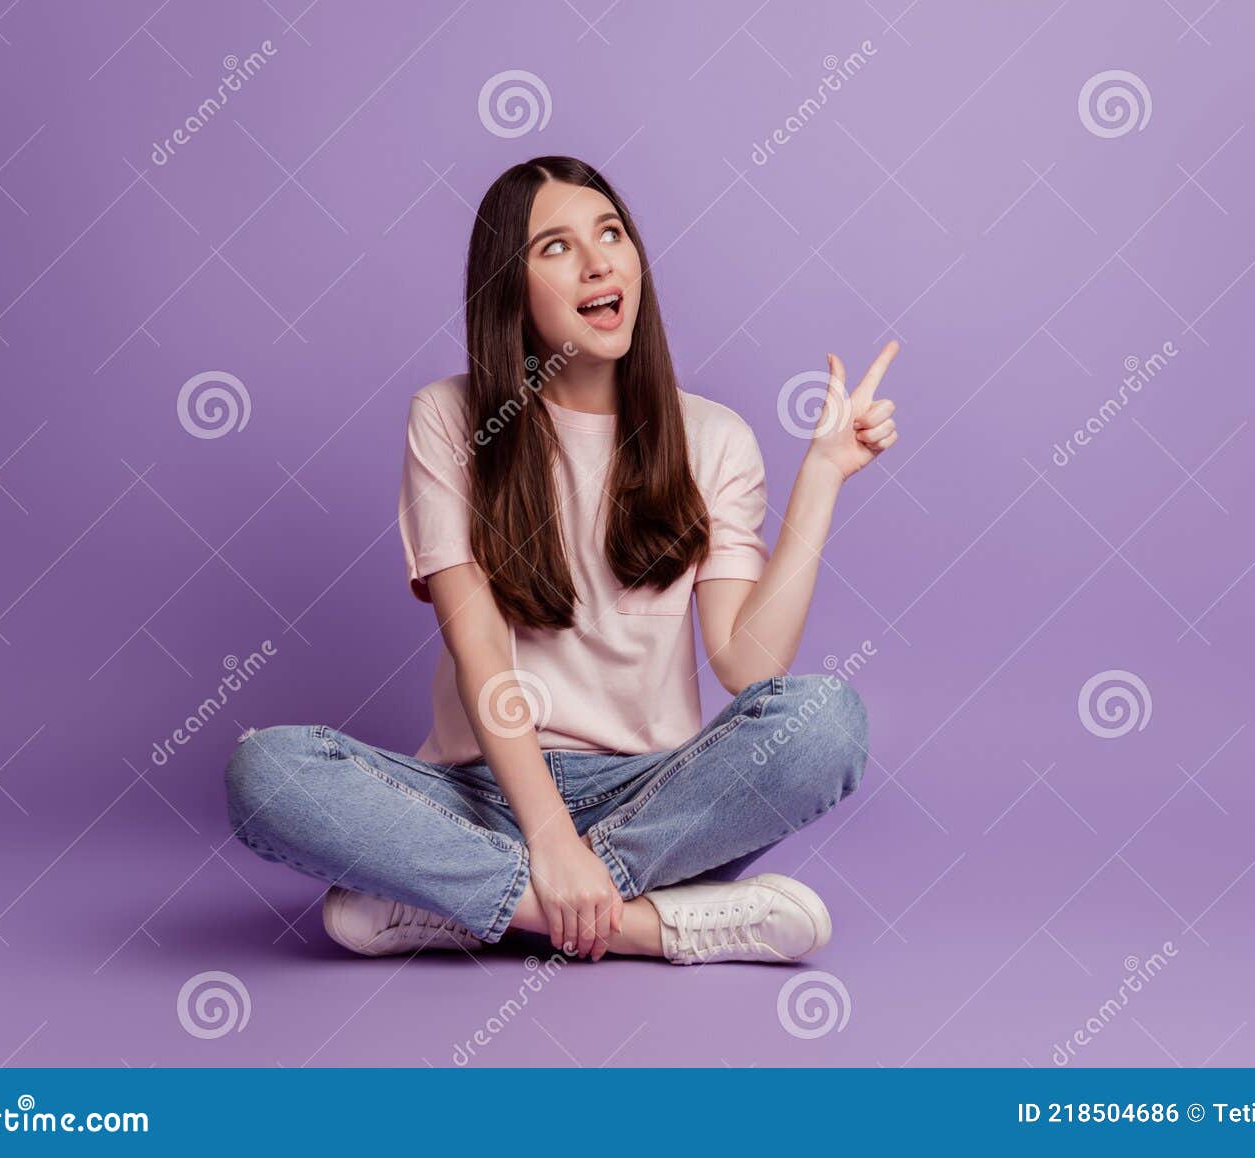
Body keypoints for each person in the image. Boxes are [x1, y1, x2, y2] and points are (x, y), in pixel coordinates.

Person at [224, 155, 901, 965]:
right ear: (509, 288)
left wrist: (821, 478)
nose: (597, 259)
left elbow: (748, 665)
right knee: (267, 772)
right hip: (479, 793)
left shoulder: (715, 438)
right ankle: (646, 924)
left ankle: (470, 904)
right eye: (555, 246)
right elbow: (482, 654)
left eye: (610, 233)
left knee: (826, 720)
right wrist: (548, 838)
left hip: (652, 795)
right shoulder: (449, 418)